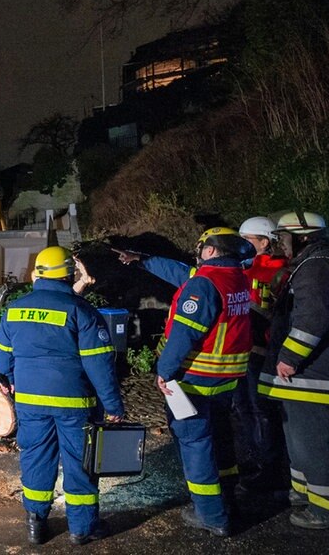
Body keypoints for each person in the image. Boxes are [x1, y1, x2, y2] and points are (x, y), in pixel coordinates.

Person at [115, 228, 254, 538]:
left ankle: (211, 515)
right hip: (226, 378)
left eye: (202, 247)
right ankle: (228, 495)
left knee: (195, 443)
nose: (198, 251)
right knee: (219, 434)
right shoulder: (235, 277)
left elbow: (183, 334)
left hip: (195, 379)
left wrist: (164, 370)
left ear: (212, 250)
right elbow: (181, 272)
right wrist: (143, 261)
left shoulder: (203, 286)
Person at [0, 246, 125, 546]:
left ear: (37, 273)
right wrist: (113, 405)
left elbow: (2, 353)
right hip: (74, 405)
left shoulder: (15, 309)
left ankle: (36, 524)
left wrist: (11, 379)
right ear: (69, 274)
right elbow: (99, 364)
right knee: (80, 464)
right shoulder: (82, 311)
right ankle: (82, 528)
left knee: (36, 457)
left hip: (29, 402)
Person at [257, 211, 329, 531]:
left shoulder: (315, 267)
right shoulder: (313, 264)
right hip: (307, 375)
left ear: (303, 237)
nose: (280, 245)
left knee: (314, 442)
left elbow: (312, 319)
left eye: (284, 238)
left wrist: (289, 358)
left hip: (312, 374)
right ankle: (305, 494)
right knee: (299, 441)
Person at [233, 217, 289, 495]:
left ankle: (272, 468)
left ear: (265, 242)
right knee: (243, 407)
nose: (241, 246)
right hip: (241, 351)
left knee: (262, 411)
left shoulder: (281, 272)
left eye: (247, 240)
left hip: (262, 352)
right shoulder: (244, 269)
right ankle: (257, 460)